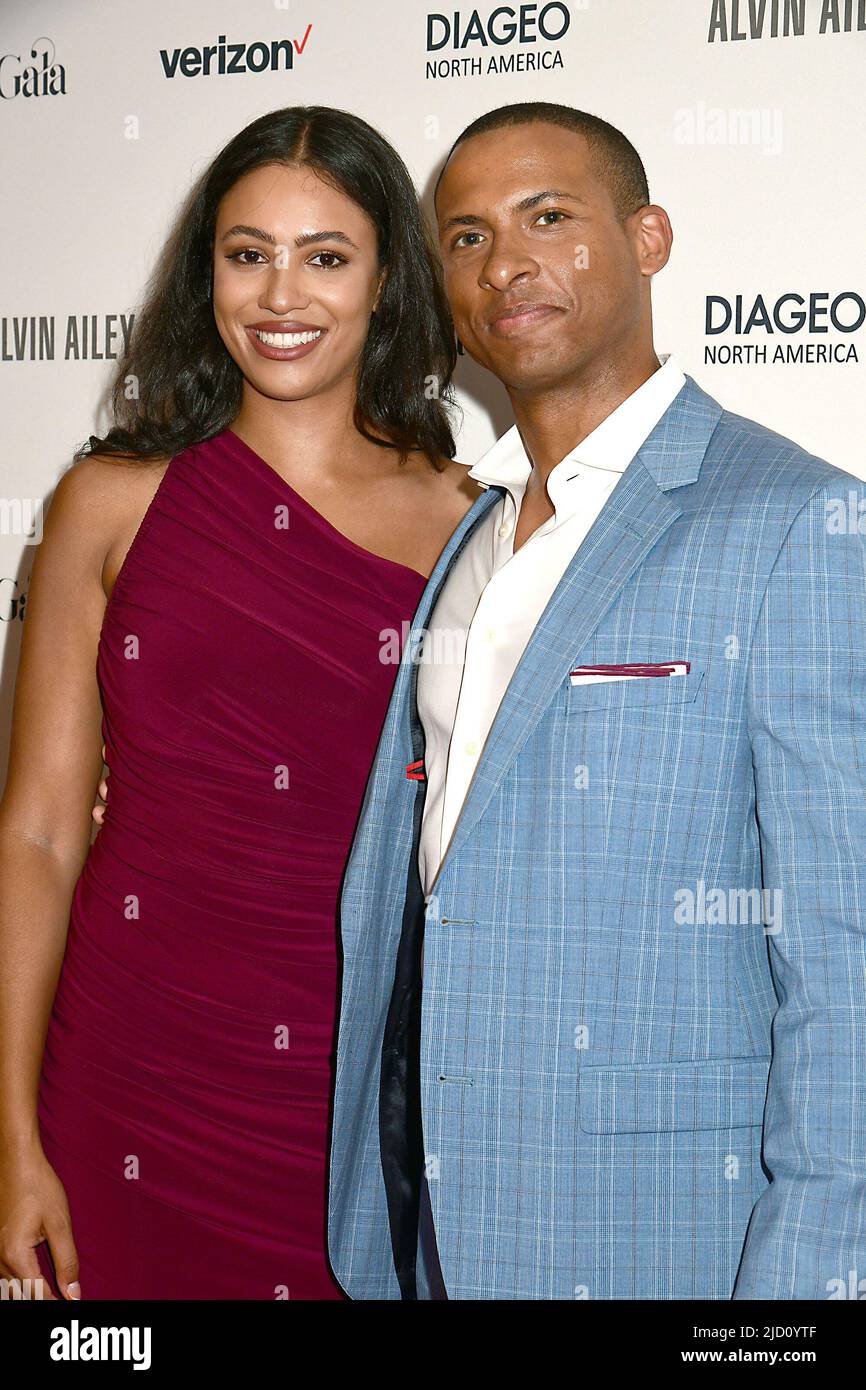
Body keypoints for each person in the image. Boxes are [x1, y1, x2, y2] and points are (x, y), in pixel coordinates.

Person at [326, 102, 866, 1299]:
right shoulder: (467, 538)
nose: (503, 262)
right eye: (464, 237)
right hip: (430, 1228)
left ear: (648, 237)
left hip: (664, 1241)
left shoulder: (794, 524)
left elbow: (850, 974)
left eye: (546, 218)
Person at [0, 105, 477, 1301]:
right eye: (246, 251)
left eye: (325, 256)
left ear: (385, 282)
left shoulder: (468, 522)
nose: (280, 293)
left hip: (344, 1091)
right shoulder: (111, 501)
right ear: (203, 270)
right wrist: (9, 1131)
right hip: (124, 1058)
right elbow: (40, 835)